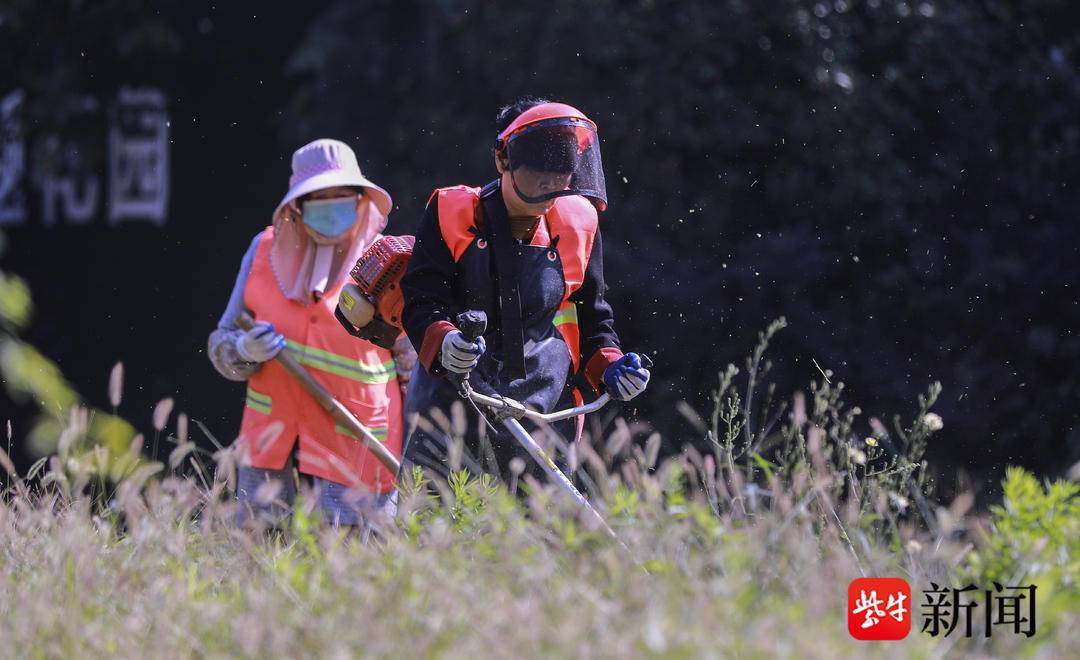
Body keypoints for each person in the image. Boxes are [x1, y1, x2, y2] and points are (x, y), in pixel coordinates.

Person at [399, 98, 651, 486]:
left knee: (539, 540)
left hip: (544, 411)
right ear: (504, 161)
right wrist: (446, 341)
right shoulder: (453, 212)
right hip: (453, 401)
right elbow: (421, 301)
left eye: (562, 170)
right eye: (538, 170)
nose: (551, 183)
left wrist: (613, 367)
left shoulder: (578, 223)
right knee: (435, 530)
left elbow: (592, 317)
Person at [208, 138, 414, 527]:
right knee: (260, 565)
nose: (333, 208)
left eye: (343, 197)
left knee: (350, 574)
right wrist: (243, 349)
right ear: (297, 208)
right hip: (270, 449)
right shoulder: (262, 250)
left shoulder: (386, 265)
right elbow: (220, 343)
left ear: (360, 200)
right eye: (321, 199)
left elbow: (415, 368)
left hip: (357, 447)